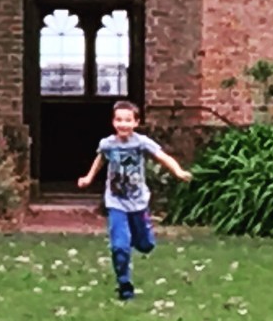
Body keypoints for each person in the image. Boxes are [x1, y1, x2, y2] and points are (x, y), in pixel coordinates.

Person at [77, 99, 192, 301]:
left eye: (128, 120)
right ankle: (124, 284)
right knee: (119, 247)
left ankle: (142, 237)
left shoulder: (141, 142)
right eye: (119, 120)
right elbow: (101, 158)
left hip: (138, 202)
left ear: (136, 122)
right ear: (113, 122)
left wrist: (178, 171)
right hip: (116, 202)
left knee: (146, 245)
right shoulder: (107, 144)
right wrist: (88, 177)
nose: (123, 124)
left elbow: (162, 157)